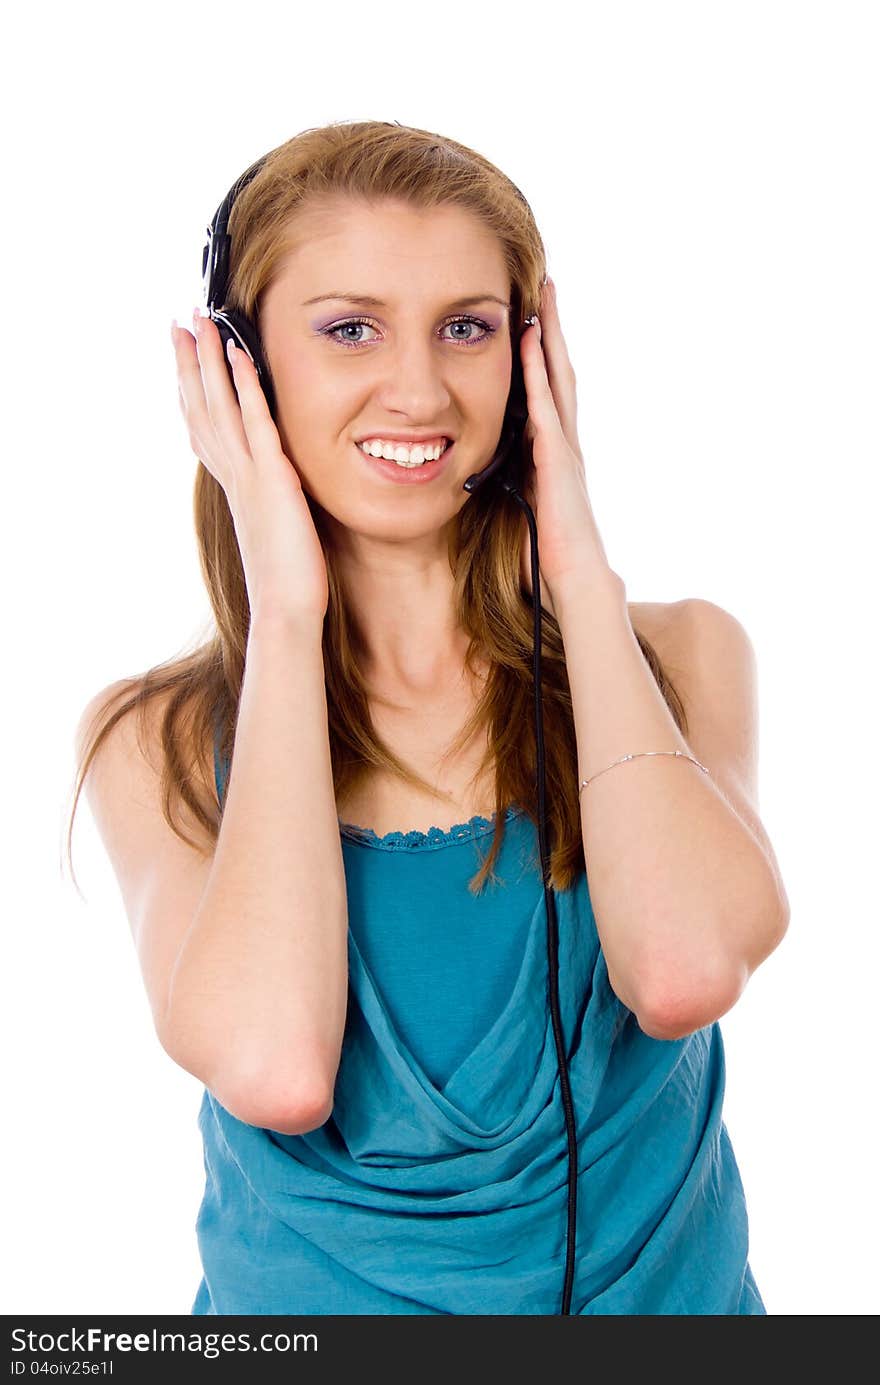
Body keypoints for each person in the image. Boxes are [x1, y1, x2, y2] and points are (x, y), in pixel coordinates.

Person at [68, 119, 790, 1315]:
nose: (419, 387)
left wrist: (574, 566)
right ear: (240, 369)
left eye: (467, 327)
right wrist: (288, 614)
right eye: (349, 328)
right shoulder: (156, 739)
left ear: (533, 354)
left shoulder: (676, 653)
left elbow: (680, 970)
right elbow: (275, 1067)